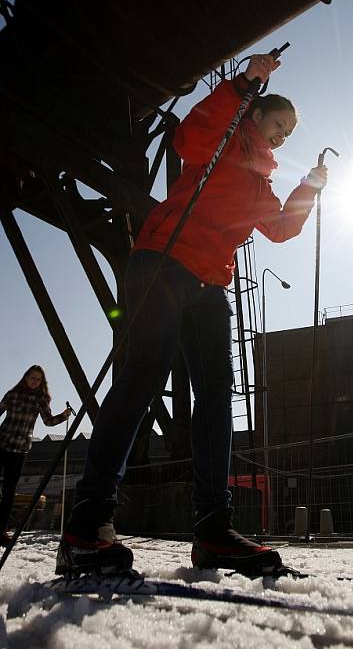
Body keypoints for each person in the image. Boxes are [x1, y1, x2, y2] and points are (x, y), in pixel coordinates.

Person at [57, 53, 328, 578]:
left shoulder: (260, 182)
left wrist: (309, 188)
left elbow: (279, 229)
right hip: (164, 260)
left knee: (215, 398)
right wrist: (243, 84)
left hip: (210, 283)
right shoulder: (225, 140)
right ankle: (87, 522)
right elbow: (188, 138)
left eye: (290, 133)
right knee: (143, 374)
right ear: (255, 115)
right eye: (279, 124)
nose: (283, 137)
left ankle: (213, 532)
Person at [0, 365, 71, 546]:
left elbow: (48, 422)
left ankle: (1, 531)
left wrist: (63, 416)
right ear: (26, 377)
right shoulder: (12, 394)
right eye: (32, 378)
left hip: (21, 448)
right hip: (2, 443)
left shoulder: (41, 399)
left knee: (9, 491)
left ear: (41, 383)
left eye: (38, 379)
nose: (34, 382)